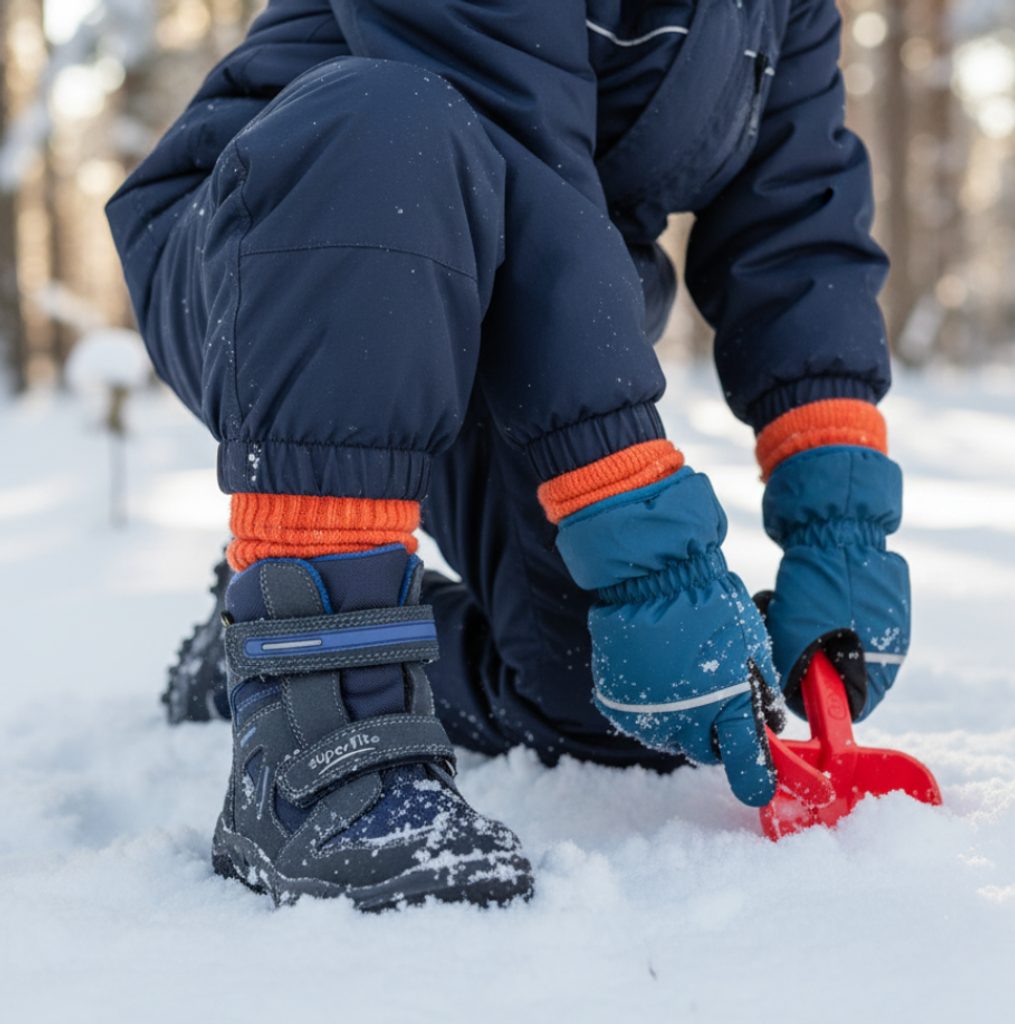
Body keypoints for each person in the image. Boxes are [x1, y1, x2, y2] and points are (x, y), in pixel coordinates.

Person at [107, 0, 910, 909]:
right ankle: (307, 733)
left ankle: (264, 633)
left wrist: (838, 527)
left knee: (603, 695)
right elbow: (520, 157)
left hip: (508, 310)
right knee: (388, 124)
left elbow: (795, 227)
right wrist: (646, 543)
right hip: (297, 247)